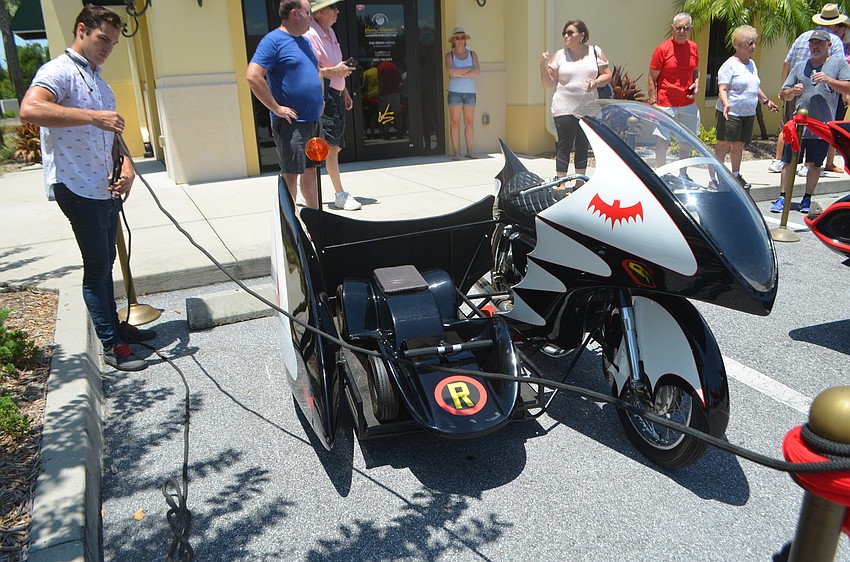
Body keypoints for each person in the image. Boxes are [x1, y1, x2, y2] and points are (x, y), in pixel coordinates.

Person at [19, 5, 155, 372]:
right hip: (76, 185)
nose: (107, 48)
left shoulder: (101, 82)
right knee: (96, 268)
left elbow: (115, 141)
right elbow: (30, 109)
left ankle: (116, 328)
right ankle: (111, 345)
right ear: (82, 29)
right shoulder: (58, 71)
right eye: (102, 40)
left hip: (103, 186)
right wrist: (93, 117)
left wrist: (127, 171)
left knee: (106, 262)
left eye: (112, 43)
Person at [247, 0, 323, 209]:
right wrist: (276, 108)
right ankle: (291, 227)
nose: (311, 17)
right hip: (292, 122)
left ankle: (315, 220)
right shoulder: (273, 41)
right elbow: (253, 76)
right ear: (294, 13)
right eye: (308, 12)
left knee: (311, 171)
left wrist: (321, 100)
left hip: (313, 121)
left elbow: (315, 73)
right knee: (291, 175)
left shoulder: (305, 42)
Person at [771, 29, 850, 214]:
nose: (815, 46)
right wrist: (792, 92)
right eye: (812, 43)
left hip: (822, 125)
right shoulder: (800, 66)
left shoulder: (838, 64)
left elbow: (847, 86)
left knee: (815, 164)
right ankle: (783, 197)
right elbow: (784, 93)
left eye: (820, 43)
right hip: (799, 125)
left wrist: (829, 80)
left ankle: (807, 198)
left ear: (828, 45)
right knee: (788, 162)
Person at [768, 3, 848, 173]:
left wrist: (785, 89)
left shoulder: (803, 36)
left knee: (789, 125)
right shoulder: (833, 42)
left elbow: (787, 61)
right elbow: (838, 68)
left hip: (795, 87)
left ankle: (780, 160)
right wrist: (842, 94)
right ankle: (809, 164)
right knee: (821, 128)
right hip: (820, 92)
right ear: (834, 23)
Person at [303, 0, 361, 211]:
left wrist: (344, 89)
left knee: (335, 145)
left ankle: (321, 191)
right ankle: (340, 194)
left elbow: (336, 65)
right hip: (323, 97)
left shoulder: (331, 33)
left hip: (335, 95)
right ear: (319, 13)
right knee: (331, 147)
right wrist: (335, 71)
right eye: (332, 8)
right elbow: (311, 71)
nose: (337, 11)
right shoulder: (310, 36)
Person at [540, 20, 612, 183]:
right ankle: (560, 183)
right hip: (564, 108)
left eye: (570, 32)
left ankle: (580, 182)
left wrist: (595, 82)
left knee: (582, 145)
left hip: (588, 108)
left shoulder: (595, 51)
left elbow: (607, 74)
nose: (566, 35)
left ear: (582, 35)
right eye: (564, 32)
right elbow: (548, 83)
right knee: (564, 145)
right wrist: (542, 66)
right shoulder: (560, 55)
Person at [711, 25, 778, 189]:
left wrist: (766, 101)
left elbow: (754, 86)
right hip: (731, 112)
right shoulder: (729, 65)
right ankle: (714, 178)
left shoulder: (752, 64)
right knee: (723, 144)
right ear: (739, 45)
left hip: (747, 113)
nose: (753, 47)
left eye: (754, 43)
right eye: (750, 43)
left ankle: (735, 175)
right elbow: (722, 88)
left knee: (739, 145)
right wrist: (726, 104)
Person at [647, 12, 700, 177]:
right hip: (666, 103)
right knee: (663, 140)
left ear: (690, 29)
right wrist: (654, 103)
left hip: (687, 104)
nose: (682, 31)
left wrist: (697, 83)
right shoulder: (662, 49)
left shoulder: (693, 47)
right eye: (678, 28)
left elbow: (696, 70)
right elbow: (651, 78)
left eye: (685, 28)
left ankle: (683, 174)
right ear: (673, 28)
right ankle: (662, 174)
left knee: (686, 142)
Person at [445, 27, 480, 160]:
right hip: (455, 92)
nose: (460, 40)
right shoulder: (450, 55)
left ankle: (470, 151)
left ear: (465, 40)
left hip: (470, 92)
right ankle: (456, 153)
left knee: (469, 123)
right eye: (457, 37)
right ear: (453, 40)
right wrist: (468, 69)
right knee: (455, 122)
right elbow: (450, 71)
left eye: (462, 37)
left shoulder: (472, 54)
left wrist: (459, 72)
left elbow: (477, 72)